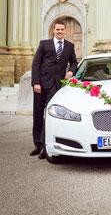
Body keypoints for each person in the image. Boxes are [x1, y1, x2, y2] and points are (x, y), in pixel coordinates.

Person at [30, 21, 78, 159]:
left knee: (49, 115)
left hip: (57, 86)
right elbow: (36, 63)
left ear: (65, 31)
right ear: (53, 30)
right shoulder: (44, 44)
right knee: (38, 115)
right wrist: (36, 83)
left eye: (62, 29)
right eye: (57, 29)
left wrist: (70, 72)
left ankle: (45, 147)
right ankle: (37, 144)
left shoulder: (69, 46)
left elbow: (74, 62)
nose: (60, 31)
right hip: (41, 84)